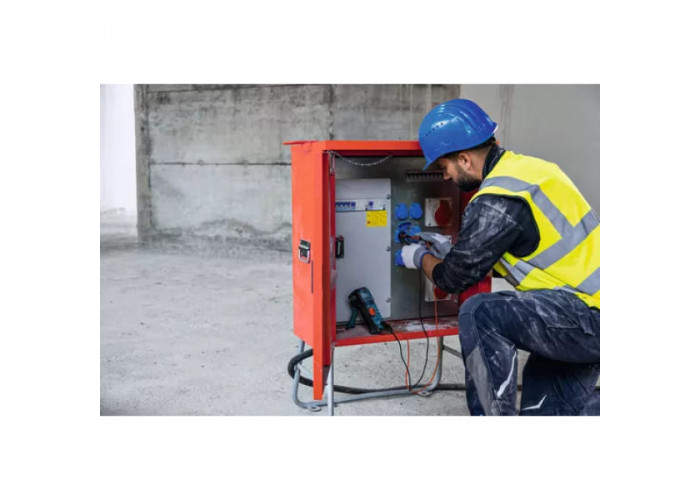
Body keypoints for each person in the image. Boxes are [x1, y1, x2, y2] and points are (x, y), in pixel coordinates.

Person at [399, 98, 600, 416]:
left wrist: (418, 256)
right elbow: (532, 251)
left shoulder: (496, 198)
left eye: (444, 168)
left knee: (480, 313)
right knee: (546, 414)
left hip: (588, 316)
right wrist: (457, 253)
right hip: (581, 310)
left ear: (464, 159)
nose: (446, 177)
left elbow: (453, 278)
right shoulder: (532, 171)